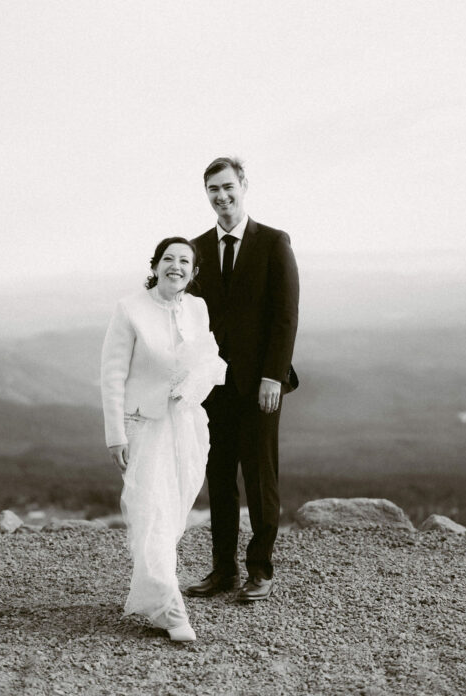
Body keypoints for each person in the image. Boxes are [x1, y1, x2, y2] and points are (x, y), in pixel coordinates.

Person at [100, 237, 227, 642]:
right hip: (145, 423)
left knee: (171, 513)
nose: (176, 266)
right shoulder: (129, 309)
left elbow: (207, 363)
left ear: (194, 271)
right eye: (168, 259)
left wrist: (193, 384)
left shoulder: (198, 308)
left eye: (185, 261)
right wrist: (115, 434)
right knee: (150, 510)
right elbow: (112, 375)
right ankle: (170, 609)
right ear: (155, 265)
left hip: (186, 424)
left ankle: (153, 585)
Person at [186, 156, 300, 603]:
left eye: (228, 186)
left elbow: (285, 316)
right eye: (213, 189)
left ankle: (260, 569)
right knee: (218, 478)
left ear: (244, 185)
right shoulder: (195, 248)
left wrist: (273, 376)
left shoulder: (273, 242)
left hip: (260, 386)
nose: (222, 196)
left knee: (259, 477)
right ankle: (222, 572)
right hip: (212, 387)